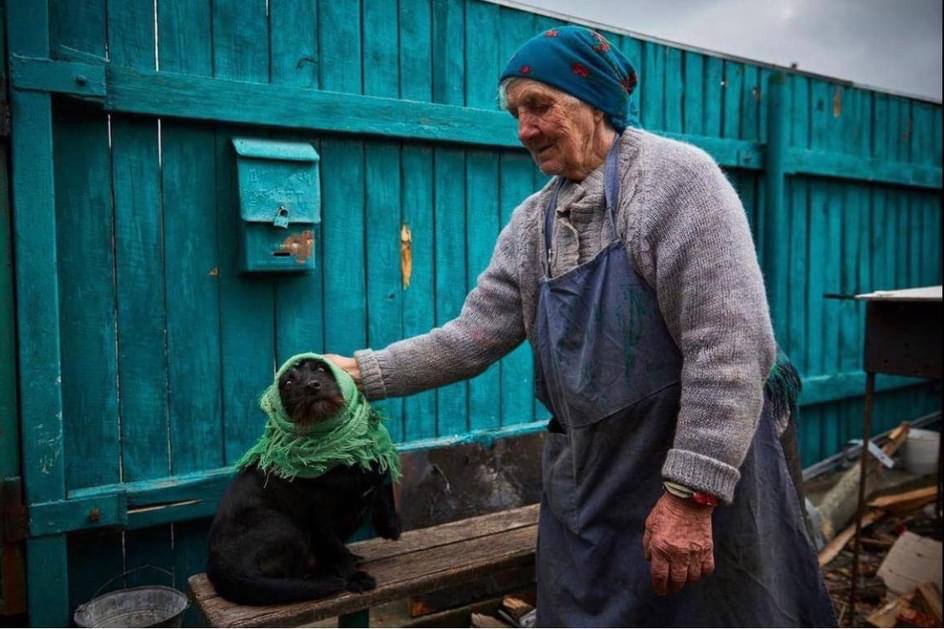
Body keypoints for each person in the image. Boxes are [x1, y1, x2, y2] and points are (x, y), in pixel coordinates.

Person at [327, 26, 836, 626]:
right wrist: (362, 373)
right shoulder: (530, 224)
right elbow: (472, 337)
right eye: (516, 112)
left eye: (540, 106)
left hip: (692, 466)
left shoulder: (679, 184)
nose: (524, 129)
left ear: (595, 102)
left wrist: (691, 495)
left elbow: (728, 349)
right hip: (594, 478)